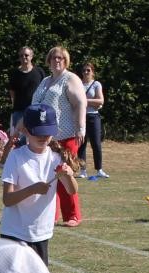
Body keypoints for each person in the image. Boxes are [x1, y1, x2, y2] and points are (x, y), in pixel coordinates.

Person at [0, 103, 77, 273]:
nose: (44, 137)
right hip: (15, 233)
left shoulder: (56, 158)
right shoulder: (17, 157)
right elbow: (8, 199)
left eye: (48, 132)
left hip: (41, 235)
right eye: (38, 132)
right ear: (27, 131)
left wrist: (67, 175)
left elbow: (72, 189)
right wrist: (32, 188)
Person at [30, 46, 84, 226]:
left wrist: (81, 127)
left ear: (66, 60)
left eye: (61, 58)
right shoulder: (46, 81)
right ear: (49, 60)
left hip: (66, 135)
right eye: (54, 58)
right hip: (46, 137)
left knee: (65, 175)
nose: (57, 60)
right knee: (49, 176)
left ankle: (72, 215)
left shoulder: (70, 79)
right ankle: (52, 214)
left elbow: (80, 103)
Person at [77, 62, 107, 178]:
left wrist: (85, 101)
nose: (85, 72)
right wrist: (90, 101)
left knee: (96, 144)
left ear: (92, 72)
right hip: (81, 116)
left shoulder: (96, 84)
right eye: (84, 70)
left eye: (88, 70)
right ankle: (83, 170)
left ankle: (99, 169)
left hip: (93, 117)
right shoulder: (78, 84)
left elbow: (100, 101)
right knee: (81, 144)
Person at [7, 46, 45, 132]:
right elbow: (12, 92)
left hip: (36, 111)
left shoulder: (39, 72)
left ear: (31, 56)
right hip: (19, 111)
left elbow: (44, 90)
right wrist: (14, 105)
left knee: (36, 137)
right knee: (19, 140)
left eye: (26, 55)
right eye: (21, 55)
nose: (24, 57)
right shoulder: (14, 73)